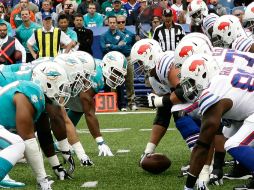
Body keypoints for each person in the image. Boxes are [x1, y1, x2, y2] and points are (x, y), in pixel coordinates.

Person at [180, 53, 254, 190]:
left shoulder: (212, 93)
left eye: (191, 82)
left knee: (234, 144)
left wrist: (188, 186)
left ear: (202, 75)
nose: (189, 88)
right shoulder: (223, 73)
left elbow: (203, 145)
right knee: (228, 131)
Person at [55, 51, 124, 157]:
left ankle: (61, 142)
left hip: (65, 79)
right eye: (117, 73)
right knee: (51, 111)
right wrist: (100, 142)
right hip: (55, 79)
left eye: (120, 74)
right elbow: (89, 112)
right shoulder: (97, 76)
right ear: (107, 66)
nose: (117, 77)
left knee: (78, 107)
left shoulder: (101, 67)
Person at [0, 80, 53, 189]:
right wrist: (42, 178)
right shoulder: (26, 93)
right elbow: (28, 138)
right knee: (17, 143)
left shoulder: (25, 89)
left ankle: (3, 177)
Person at [100, 15, 129, 111]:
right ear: (108, 23)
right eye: (110, 22)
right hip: (107, 63)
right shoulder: (103, 35)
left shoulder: (122, 35)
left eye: (114, 22)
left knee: (120, 84)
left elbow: (123, 47)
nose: (112, 24)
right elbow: (103, 48)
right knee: (107, 84)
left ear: (116, 23)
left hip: (119, 63)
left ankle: (122, 105)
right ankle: (106, 104)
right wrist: (116, 45)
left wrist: (110, 45)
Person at [116, 15, 137, 110]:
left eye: (122, 22)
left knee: (130, 81)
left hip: (127, 57)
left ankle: (131, 102)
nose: (121, 24)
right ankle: (118, 104)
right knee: (116, 82)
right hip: (116, 59)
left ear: (125, 22)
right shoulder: (112, 34)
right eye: (119, 22)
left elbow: (133, 47)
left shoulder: (130, 34)